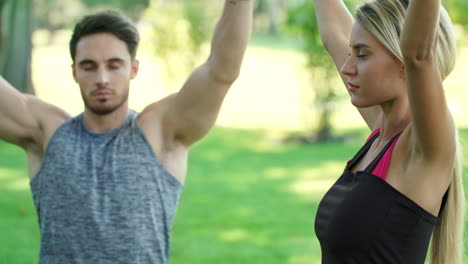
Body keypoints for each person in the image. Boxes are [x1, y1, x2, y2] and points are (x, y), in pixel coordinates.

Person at [0, 1, 252, 263]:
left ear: (133, 69)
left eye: (114, 65)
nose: (102, 79)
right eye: (88, 66)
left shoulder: (161, 132)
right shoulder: (46, 133)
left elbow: (221, 72)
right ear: (74, 71)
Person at [312, 0, 464, 263]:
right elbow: (333, 32)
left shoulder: (421, 150)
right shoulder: (381, 134)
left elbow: (419, 53)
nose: (347, 67)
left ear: (403, 63)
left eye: (362, 54)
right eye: (351, 52)